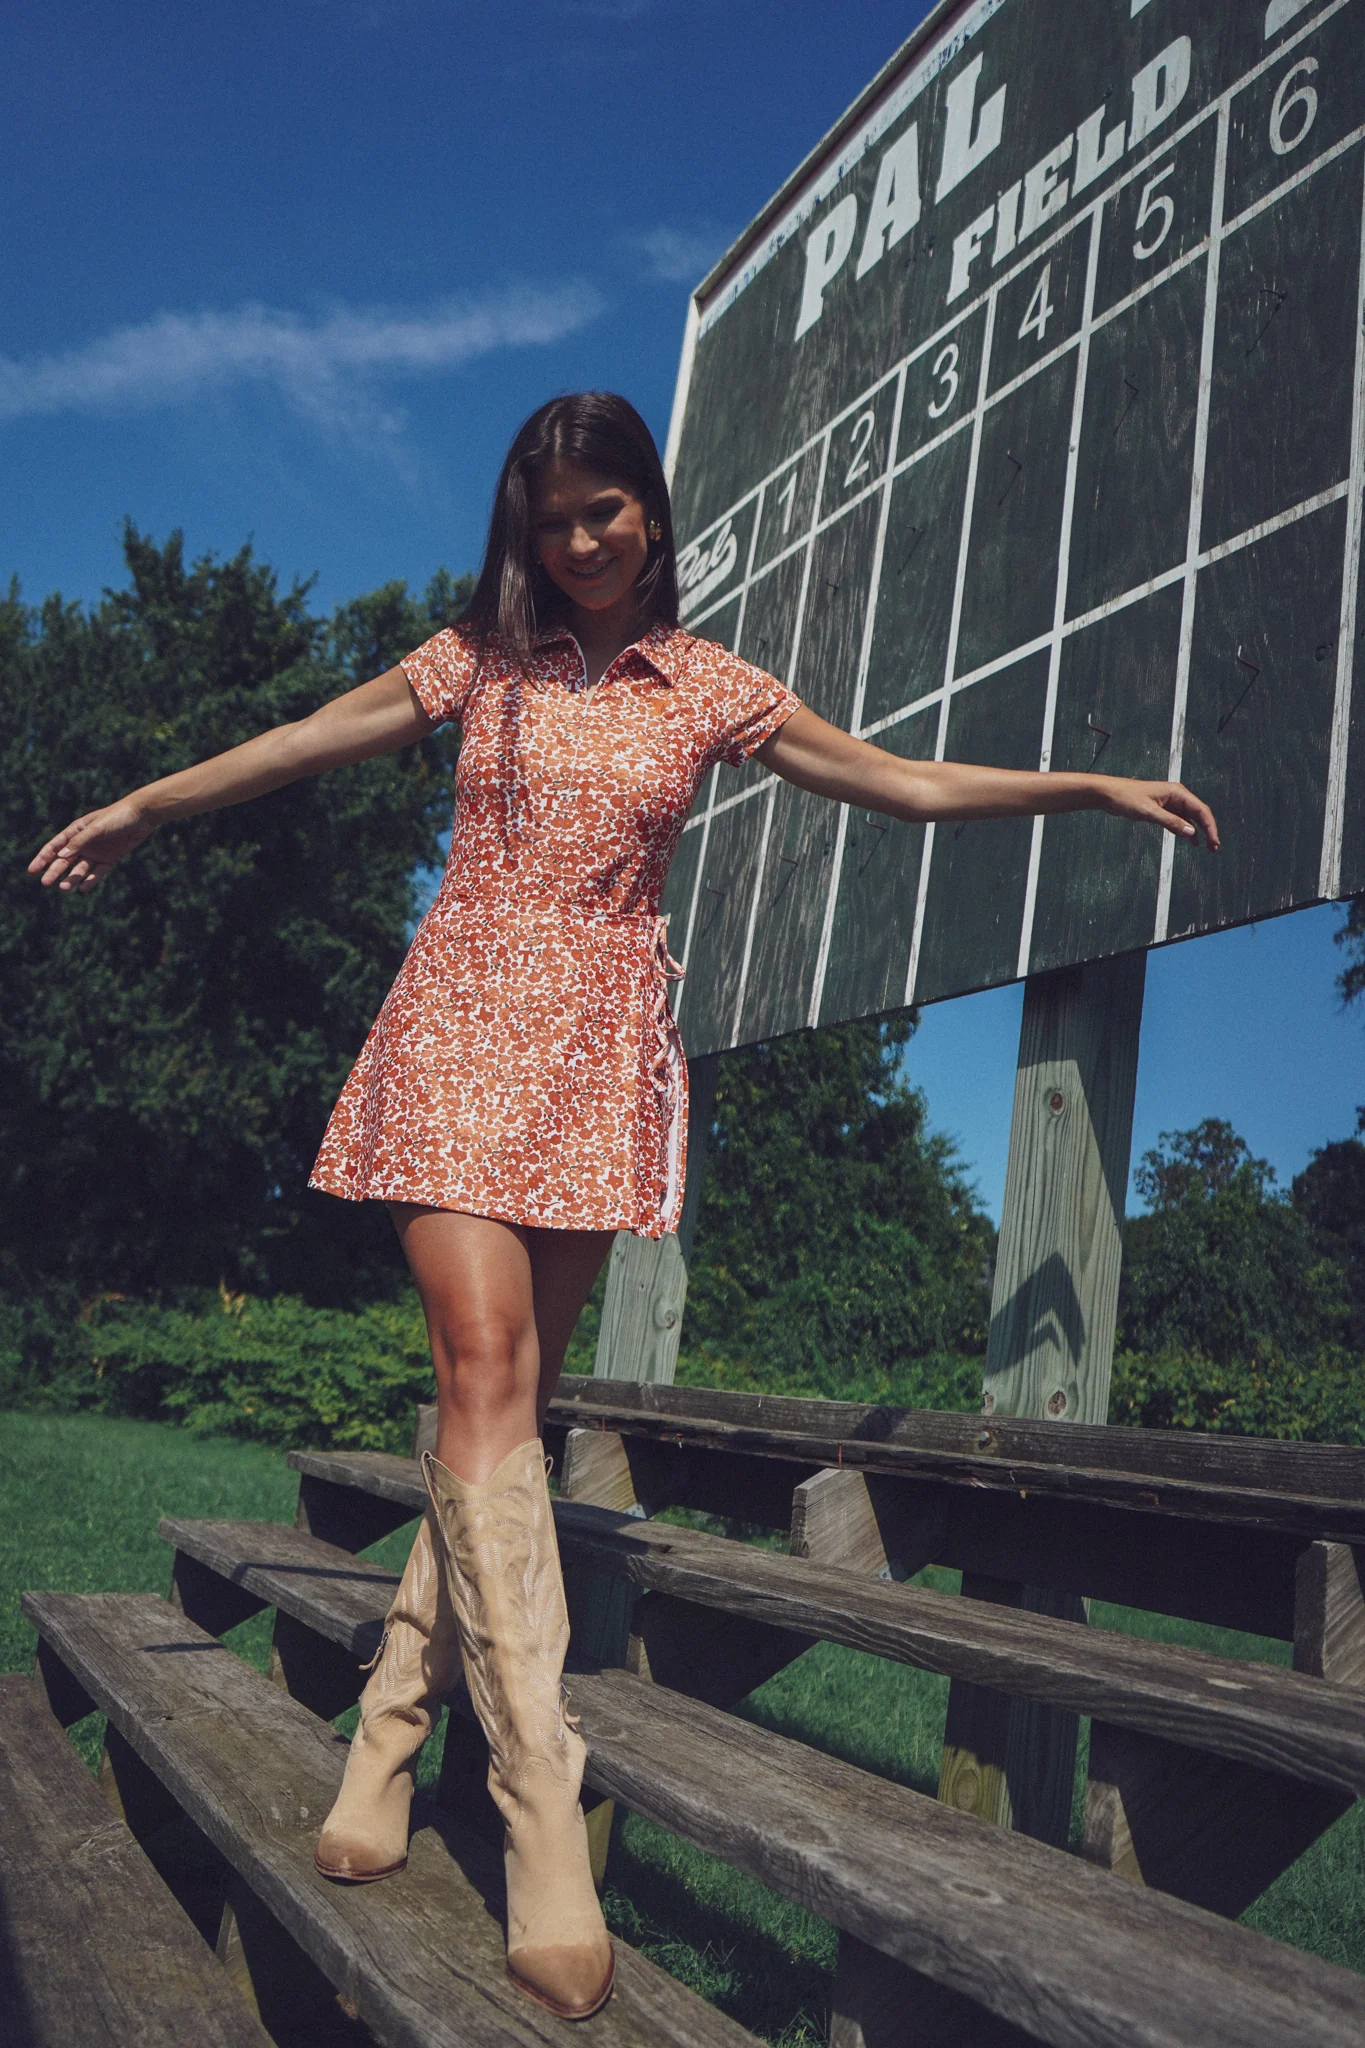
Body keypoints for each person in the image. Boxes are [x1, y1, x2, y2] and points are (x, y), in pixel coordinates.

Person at [29, 390, 1219, 2020]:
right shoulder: (476, 664)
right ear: (523, 528)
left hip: (594, 1053)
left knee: (507, 1415)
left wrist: (1085, 785)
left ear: (651, 514)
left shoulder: (713, 687)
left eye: (609, 511)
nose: (583, 540)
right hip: (458, 1019)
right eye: (554, 516)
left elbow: (901, 784)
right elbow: (308, 738)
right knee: (480, 1372)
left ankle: (388, 1724)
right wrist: (148, 805)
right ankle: (539, 1812)